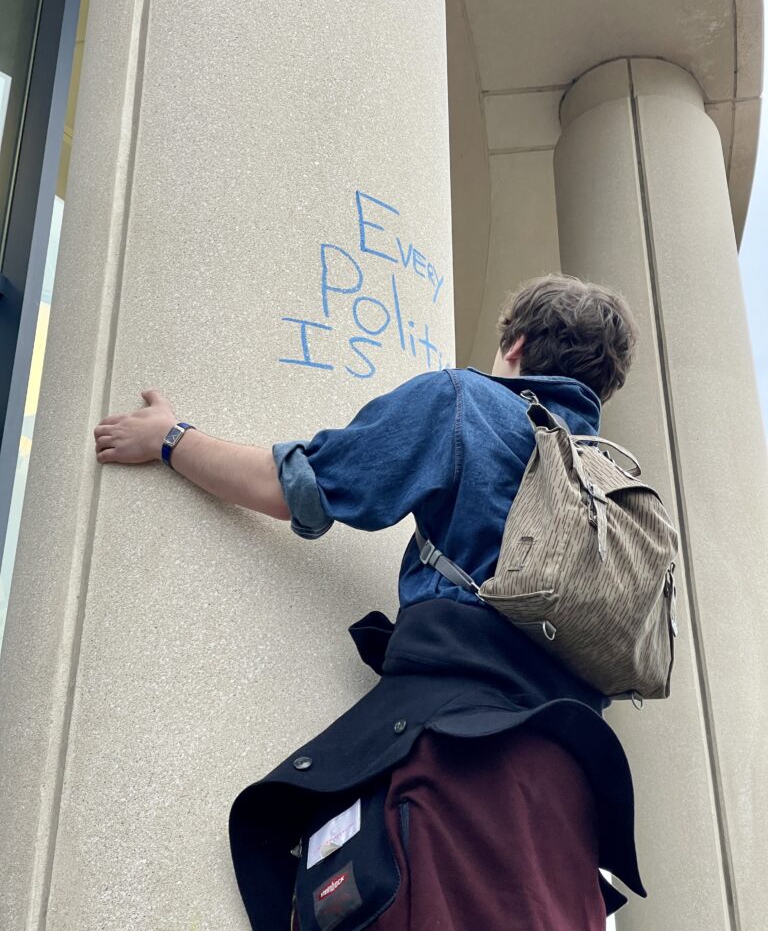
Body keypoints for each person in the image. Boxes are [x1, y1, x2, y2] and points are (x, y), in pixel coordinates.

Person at [94, 272, 645, 931]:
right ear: (601, 385)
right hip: (569, 800)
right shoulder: (616, 490)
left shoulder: (465, 402)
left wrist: (170, 439)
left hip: (461, 763)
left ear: (517, 346)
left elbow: (298, 487)